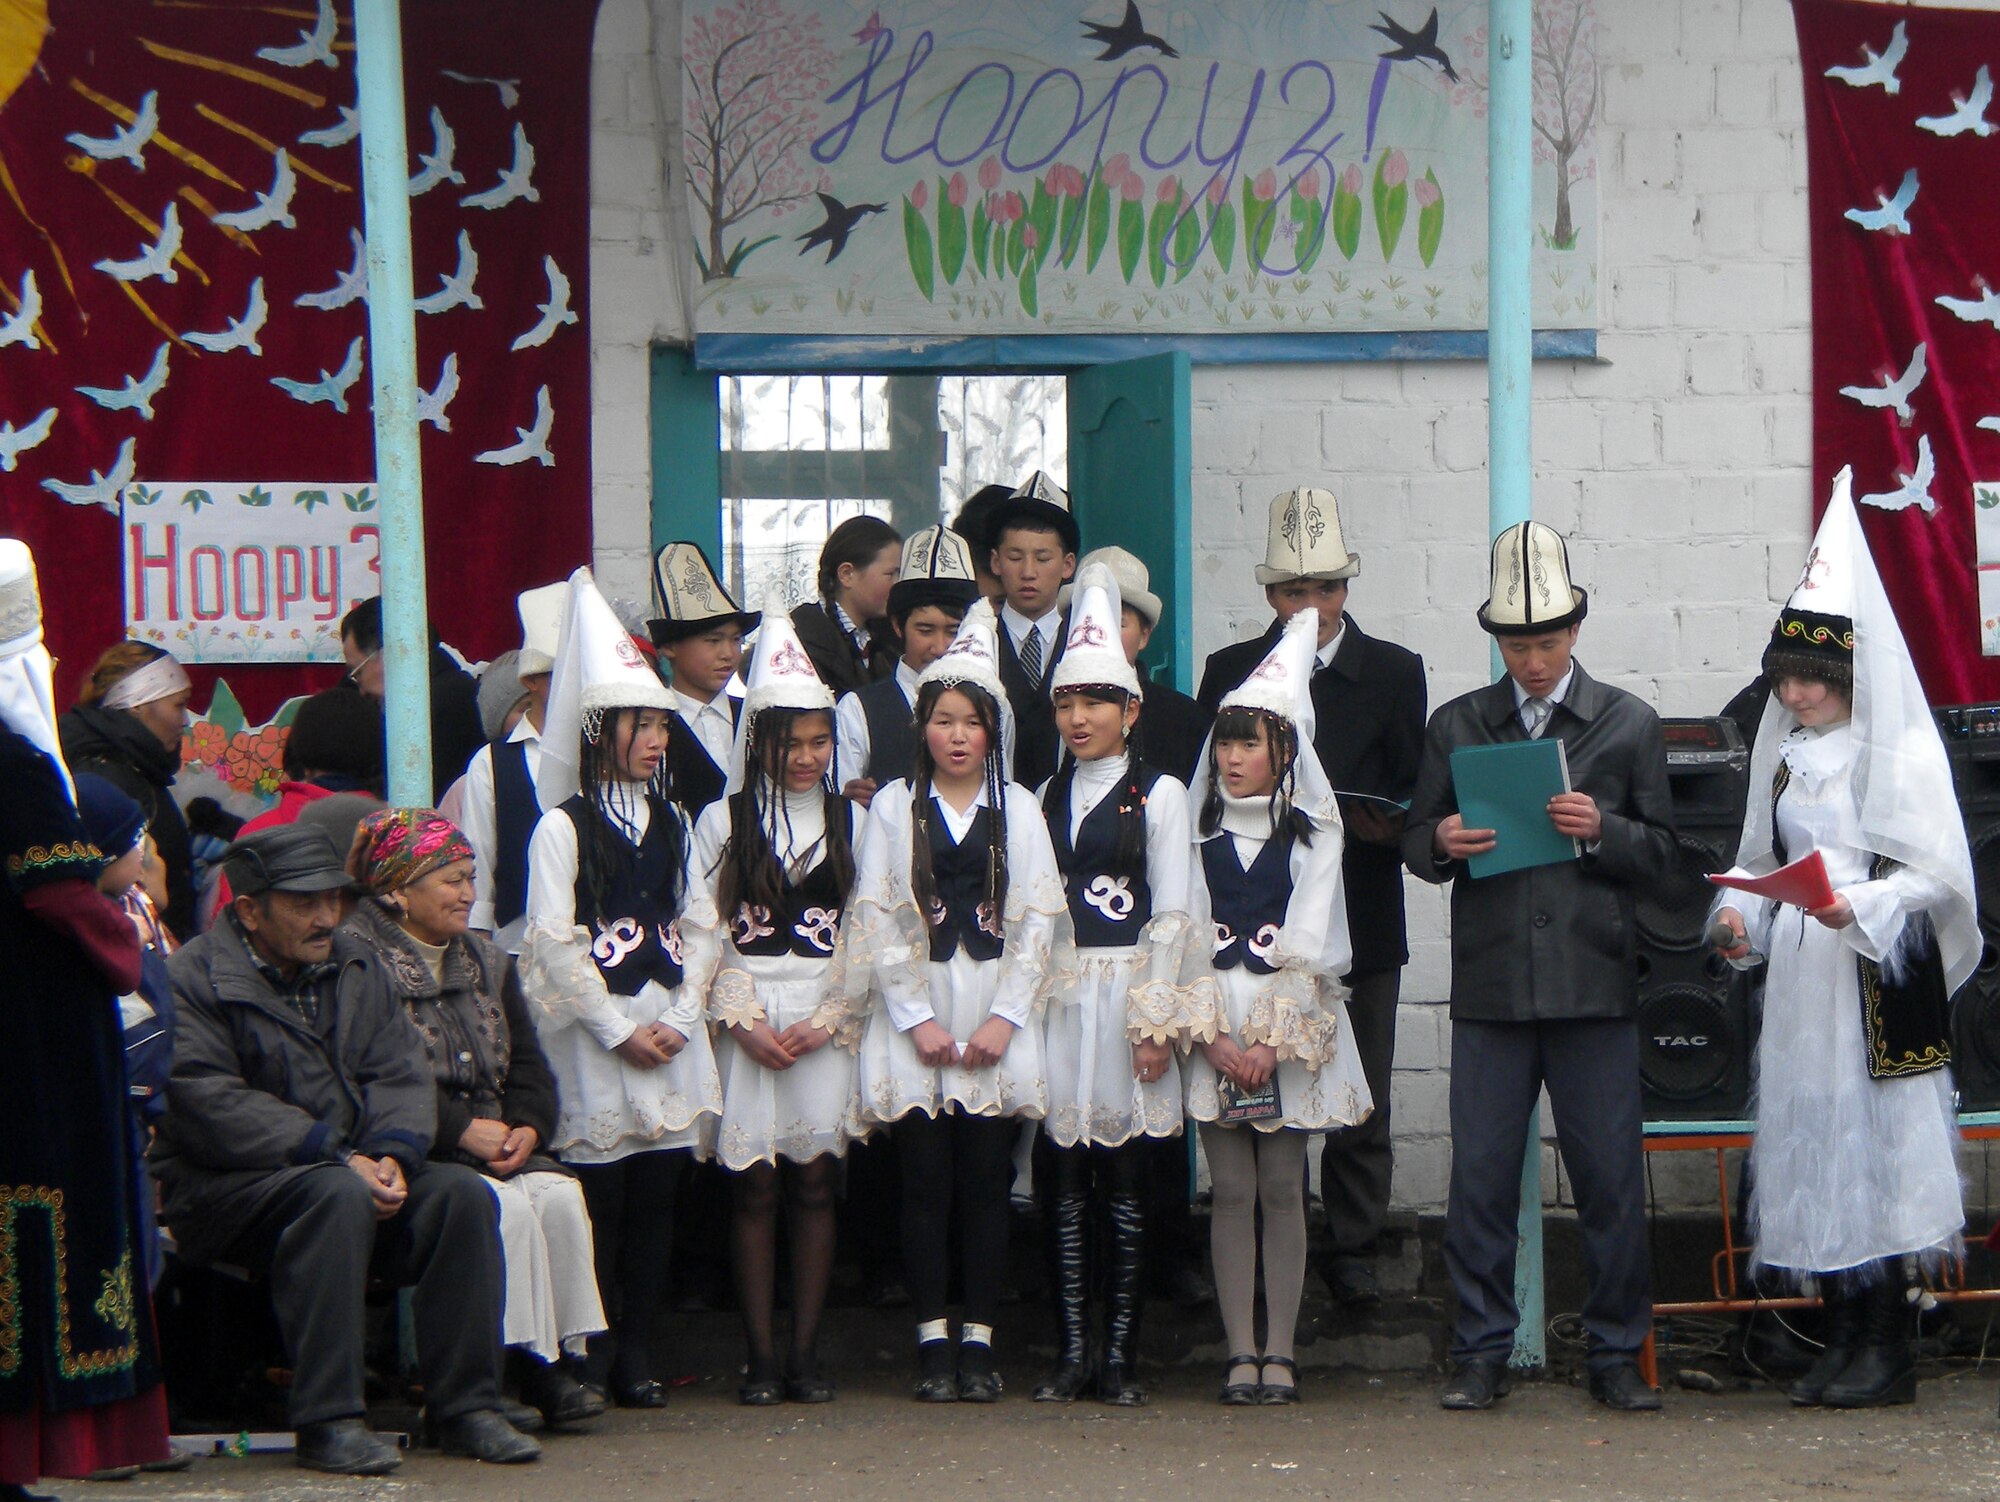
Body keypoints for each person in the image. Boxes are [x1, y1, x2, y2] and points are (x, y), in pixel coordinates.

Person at [1710, 472, 1977, 1410]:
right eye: (1787, 676)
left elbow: (1939, 872)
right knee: (1817, 1133)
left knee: (1878, 1141)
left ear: (1852, 675)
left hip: (1874, 967)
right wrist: (1741, 916)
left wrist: (1855, 908)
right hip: (1802, 976)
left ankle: (1888, 1345)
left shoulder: (1893, 752)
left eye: (1815, 676)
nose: (1798, 691)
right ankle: (1838, 1327)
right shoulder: (1780, 758)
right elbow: (1753, 860)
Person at [156, 824, 540, 1472]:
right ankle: (329, 1418)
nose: (325, 916)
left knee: (460, 1197)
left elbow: (399, 1072)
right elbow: (205, 1100)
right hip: (228, 1189)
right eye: (303, 903)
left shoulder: (355, 966)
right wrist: (335, 1154)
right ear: (249, 911)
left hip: (346, 1169)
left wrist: (393, 1152)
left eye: (331, 899)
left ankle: (466, 1407)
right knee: (333, 1194)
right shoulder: (195, 976)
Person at [1402, 521, 1675, 1413]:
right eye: (1517, 643)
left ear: (1575, 632)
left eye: (1547, 641)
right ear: (1497, 641)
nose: (1532, 660)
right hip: (1492, 984)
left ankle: (1614, 1353)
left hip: (1594, 983)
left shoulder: (1628, 722)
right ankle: (1480, 1352)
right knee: (1478, 1180)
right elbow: (1416, 837)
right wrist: (1439, 841)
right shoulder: (1457, 724)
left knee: (1608, 1181)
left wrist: (1607, 832)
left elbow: (1671, 857)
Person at [832, 597, 1070, 1403]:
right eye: (943, 720)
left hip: (995, 1009)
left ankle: (982, 1338)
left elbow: (1039, 918)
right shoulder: (895, 807)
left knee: (986, 1179)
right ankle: (931, 1338)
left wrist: (1007, 1016)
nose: (958, 735)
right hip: (923, 1011)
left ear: (993, 729)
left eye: (973, 721)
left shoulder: (1023, 807)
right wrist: (915, 1019)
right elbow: (877, 914)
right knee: (924, 1180)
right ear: (921, 727)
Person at [1196, 488, 1426, 1306]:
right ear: (1269, 596)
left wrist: (1377, 819)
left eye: (1326, 588)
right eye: (1295, 590)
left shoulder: (1395, 671)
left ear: (1346, 590)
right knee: (1251, 1084)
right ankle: (1250, 1235)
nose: (1312, 605)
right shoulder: (1229, 672)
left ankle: (1355, 1239)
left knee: (1360, 1084)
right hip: (1247, 921)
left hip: (1359, 910)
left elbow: (1413, 787)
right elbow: (1208, 800)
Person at [521, 568, 724, 1409]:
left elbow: (703, 924)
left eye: (661, 725)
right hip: (599, 1035)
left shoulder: (675, 820)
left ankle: (636, 1349)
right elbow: (554, 944)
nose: (654, 739)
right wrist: (615, 1031)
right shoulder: (560, 827)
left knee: (656, 1204)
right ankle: (585, 1353)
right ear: (599, 729)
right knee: (599, 1200)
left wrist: (679, 1016)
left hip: (665, 1025)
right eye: (639, 724)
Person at [343, 806, 610, 1427]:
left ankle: (554, 1364)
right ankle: (496, 1372)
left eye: (470, 876)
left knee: (558, 1196)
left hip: (499, 1143)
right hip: (418, 1150)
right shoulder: (357, 959)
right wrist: (458, 1128)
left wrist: (527, 1126)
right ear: (397, 889)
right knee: (506, 1208)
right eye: (450, 879)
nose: (468, 893)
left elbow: (529, 1066)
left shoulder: (485, 960)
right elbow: (363, 1072)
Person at [0, 541, 170, 1499]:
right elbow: (62, 896)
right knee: (37, 1247)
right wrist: (126, 947)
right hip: (32, 1058)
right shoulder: (19, 767)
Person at [1183, 609, 1373, 1406]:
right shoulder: (1192, 831)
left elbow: (1314, 934)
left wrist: (1270, 1037)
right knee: (1229, 1188)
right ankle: (1238, 1349)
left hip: (1287, 1025)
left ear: (1285, 749)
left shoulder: (1314, 836)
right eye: (1225, 742)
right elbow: (1182, 931)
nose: (1231, 758)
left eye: (1249, 743)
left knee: (1285, 1186)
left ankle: (1282, 1350)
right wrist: (1214, 1033)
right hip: (1215, 1021)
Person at [1032, 564, 1211, 1407]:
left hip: (1130, 999)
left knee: (1130, 1179)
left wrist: (1152, 1021)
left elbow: (1174, 914)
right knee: (1066, 1179)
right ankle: (1072, 1351)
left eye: (1097, 702)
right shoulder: (1042, 795)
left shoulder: (1164, 795)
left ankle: (1123, 1355)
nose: (1078, 718)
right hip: (1064, 1005)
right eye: (1067, 703)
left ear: (1131, 710)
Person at [692, 611, 865, 1404]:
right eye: (787, 743)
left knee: (818, 1178)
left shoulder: (852, 820)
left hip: (822, 1016)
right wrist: (740, 1017)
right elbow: (703, 930)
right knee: (754, 1182)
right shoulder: (721, 822)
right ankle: (760, 1356)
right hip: (750, 1012)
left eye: (817, 743)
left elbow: (872, 932)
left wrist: (829, 1016)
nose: (804, 759)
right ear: (756, 741)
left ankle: (808, 1354)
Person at [74, 775, 179, 1290]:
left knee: (140, 1264)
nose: (145, 852)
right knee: (118, 1265)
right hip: (111, 1115)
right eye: (134, 841)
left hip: (139, 1116)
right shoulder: (92, 936)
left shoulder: (131, 909)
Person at [60, 640, 197, 940]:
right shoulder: (106, 780)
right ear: (137, 706)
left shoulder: (133, 769)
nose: (185, 721)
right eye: (179, 705)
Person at [836, 524, 980, 807]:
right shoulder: (858, 709)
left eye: (953, 631)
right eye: (925, 630)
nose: (940, 647)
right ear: (898, 626)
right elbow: (843, 804)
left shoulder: (993, 706)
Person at [461, 582, 568, 955]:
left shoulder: (608, 756)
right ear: (532, 682)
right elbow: (480, 852)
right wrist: (480, 941)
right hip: (519, 946)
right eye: (564, 673)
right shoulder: (491, 762)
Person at [1065, 547, 1206, 784]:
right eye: (1088, 620)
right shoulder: (1044, 716)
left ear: (1144, 635)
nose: (1103, 634)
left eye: (1117, 623)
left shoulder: (1183, 720)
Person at [648, 541, 759, 817]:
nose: (728, 654)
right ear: (670, 647)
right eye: (712, 641)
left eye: (736, 640)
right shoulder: (651, 727)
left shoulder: (756, 716)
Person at [985, 472, 1078, 792]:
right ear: (996, 562)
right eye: (1015, 557)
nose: (1028, 572)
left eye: (1042, 558)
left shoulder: (1084, 643)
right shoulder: (975, 643)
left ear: (1067, 565)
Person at [339, 596, 486, 798]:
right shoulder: (451, 689)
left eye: (358, 673)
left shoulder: (435, 706)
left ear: (388, 654)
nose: (362, 691)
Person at [791, 515, 901, 695]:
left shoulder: (887, 641)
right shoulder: (800, 643)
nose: (897, 584)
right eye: (890, 574)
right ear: (847, 574)